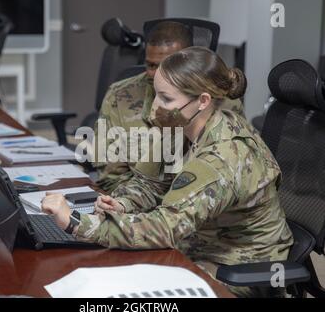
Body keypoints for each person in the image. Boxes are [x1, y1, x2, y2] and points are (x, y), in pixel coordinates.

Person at [42, 47, 293, 297]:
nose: (154, 109)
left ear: (202, 101)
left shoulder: (223, 157)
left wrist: (76, 223)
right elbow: (148, 184)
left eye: (166, 99)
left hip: (237, 266)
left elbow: (166, 227)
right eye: (156, 95)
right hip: (194, 244)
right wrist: (121, 204)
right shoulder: (181, 124)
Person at [94, 21, 244, 194]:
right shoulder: (119, 95)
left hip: (199, 201)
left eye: (166, 65)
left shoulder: (221, 100)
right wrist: (130, 202)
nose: (157, 73)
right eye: (151, 65)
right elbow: (110, 175)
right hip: (140, 200)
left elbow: (231, 172)